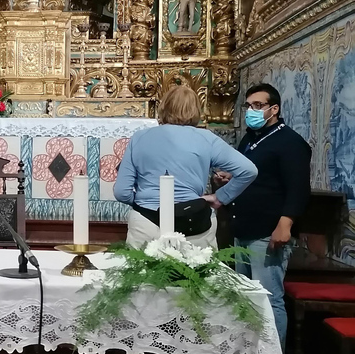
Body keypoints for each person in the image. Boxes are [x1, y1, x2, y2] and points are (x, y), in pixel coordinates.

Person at [213, 83, 311, 351]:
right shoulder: (250, 139)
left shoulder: (290, 142)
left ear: (274, 109)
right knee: (245, 297)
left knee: (268, 299)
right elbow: (255, 175)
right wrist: (229, 177)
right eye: (248, 106)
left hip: (268, 231)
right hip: (243, 227)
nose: (251, 110)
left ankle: (272, 348)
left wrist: (285, 224)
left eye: (258, 105)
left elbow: (298, 188)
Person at [114, 85, 257, 248]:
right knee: (196, 272)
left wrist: (144, 201)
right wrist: (220, 197)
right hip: (194, 220)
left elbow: (121, 192)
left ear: (163, 107)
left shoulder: (140, 137)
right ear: (197, 110)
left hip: (146, 220)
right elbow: (248, 170)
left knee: (143, 272)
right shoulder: (206, 138)